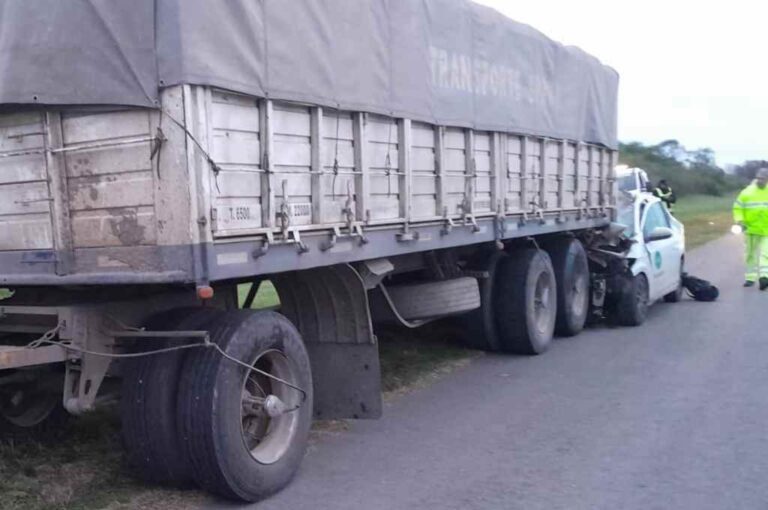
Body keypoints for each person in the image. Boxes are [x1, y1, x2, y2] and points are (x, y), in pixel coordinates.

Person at [733, 168, 768, 289]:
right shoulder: (747, 192)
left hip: (766, 230)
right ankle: (750, 278)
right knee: (750, 255)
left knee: (765, 254)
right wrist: (739, 220)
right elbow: (737, 207)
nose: (760, 181)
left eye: (763, 178)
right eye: (758, 178)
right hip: (750, 229)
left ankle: (764, 277)